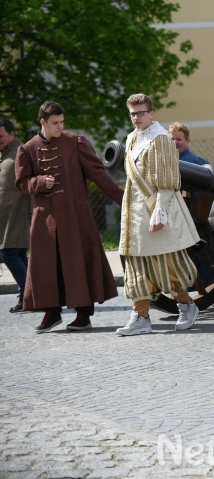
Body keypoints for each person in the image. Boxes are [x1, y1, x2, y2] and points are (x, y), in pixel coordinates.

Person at [15, 102, 124, 332]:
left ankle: (83, 315)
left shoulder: (76, 143)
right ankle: (51, 313)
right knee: (46, 267)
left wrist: (125, 201)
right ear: (42, 122)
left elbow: (99, 175)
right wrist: (40, 182)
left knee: (79, 262)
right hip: (45, 218)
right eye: (55, 123)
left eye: (62, 122)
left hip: (76, 216)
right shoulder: (27, 149)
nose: (60, 126)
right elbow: (22, 183)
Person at [116, 94, 201, 336]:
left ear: (151, 113)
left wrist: (160, 212)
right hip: (134, 210)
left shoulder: (161, 139)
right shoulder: (132, 138)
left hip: (155, 208)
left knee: (167, 263)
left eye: (140, 112)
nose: (136, 117)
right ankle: (141, 316)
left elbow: (166, 182)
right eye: (132, 113)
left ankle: (186, 305)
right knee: (137, 265)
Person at [168, 121, 214, 288]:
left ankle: (205, 282)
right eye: (171, 139)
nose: (175, 143)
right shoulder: (165, 163)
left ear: (187, 141)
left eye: (178, 139)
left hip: (194, 217)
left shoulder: (199, 163)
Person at [1, 119, 32, 313]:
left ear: (12, 134)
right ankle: (27, 295)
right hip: (8, 216)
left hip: (18, 214)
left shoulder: (20, 152)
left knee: (8, 253)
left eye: (1, 136)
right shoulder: (6, 153)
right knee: (18, 254)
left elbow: (28, 182)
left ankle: (30, 295)